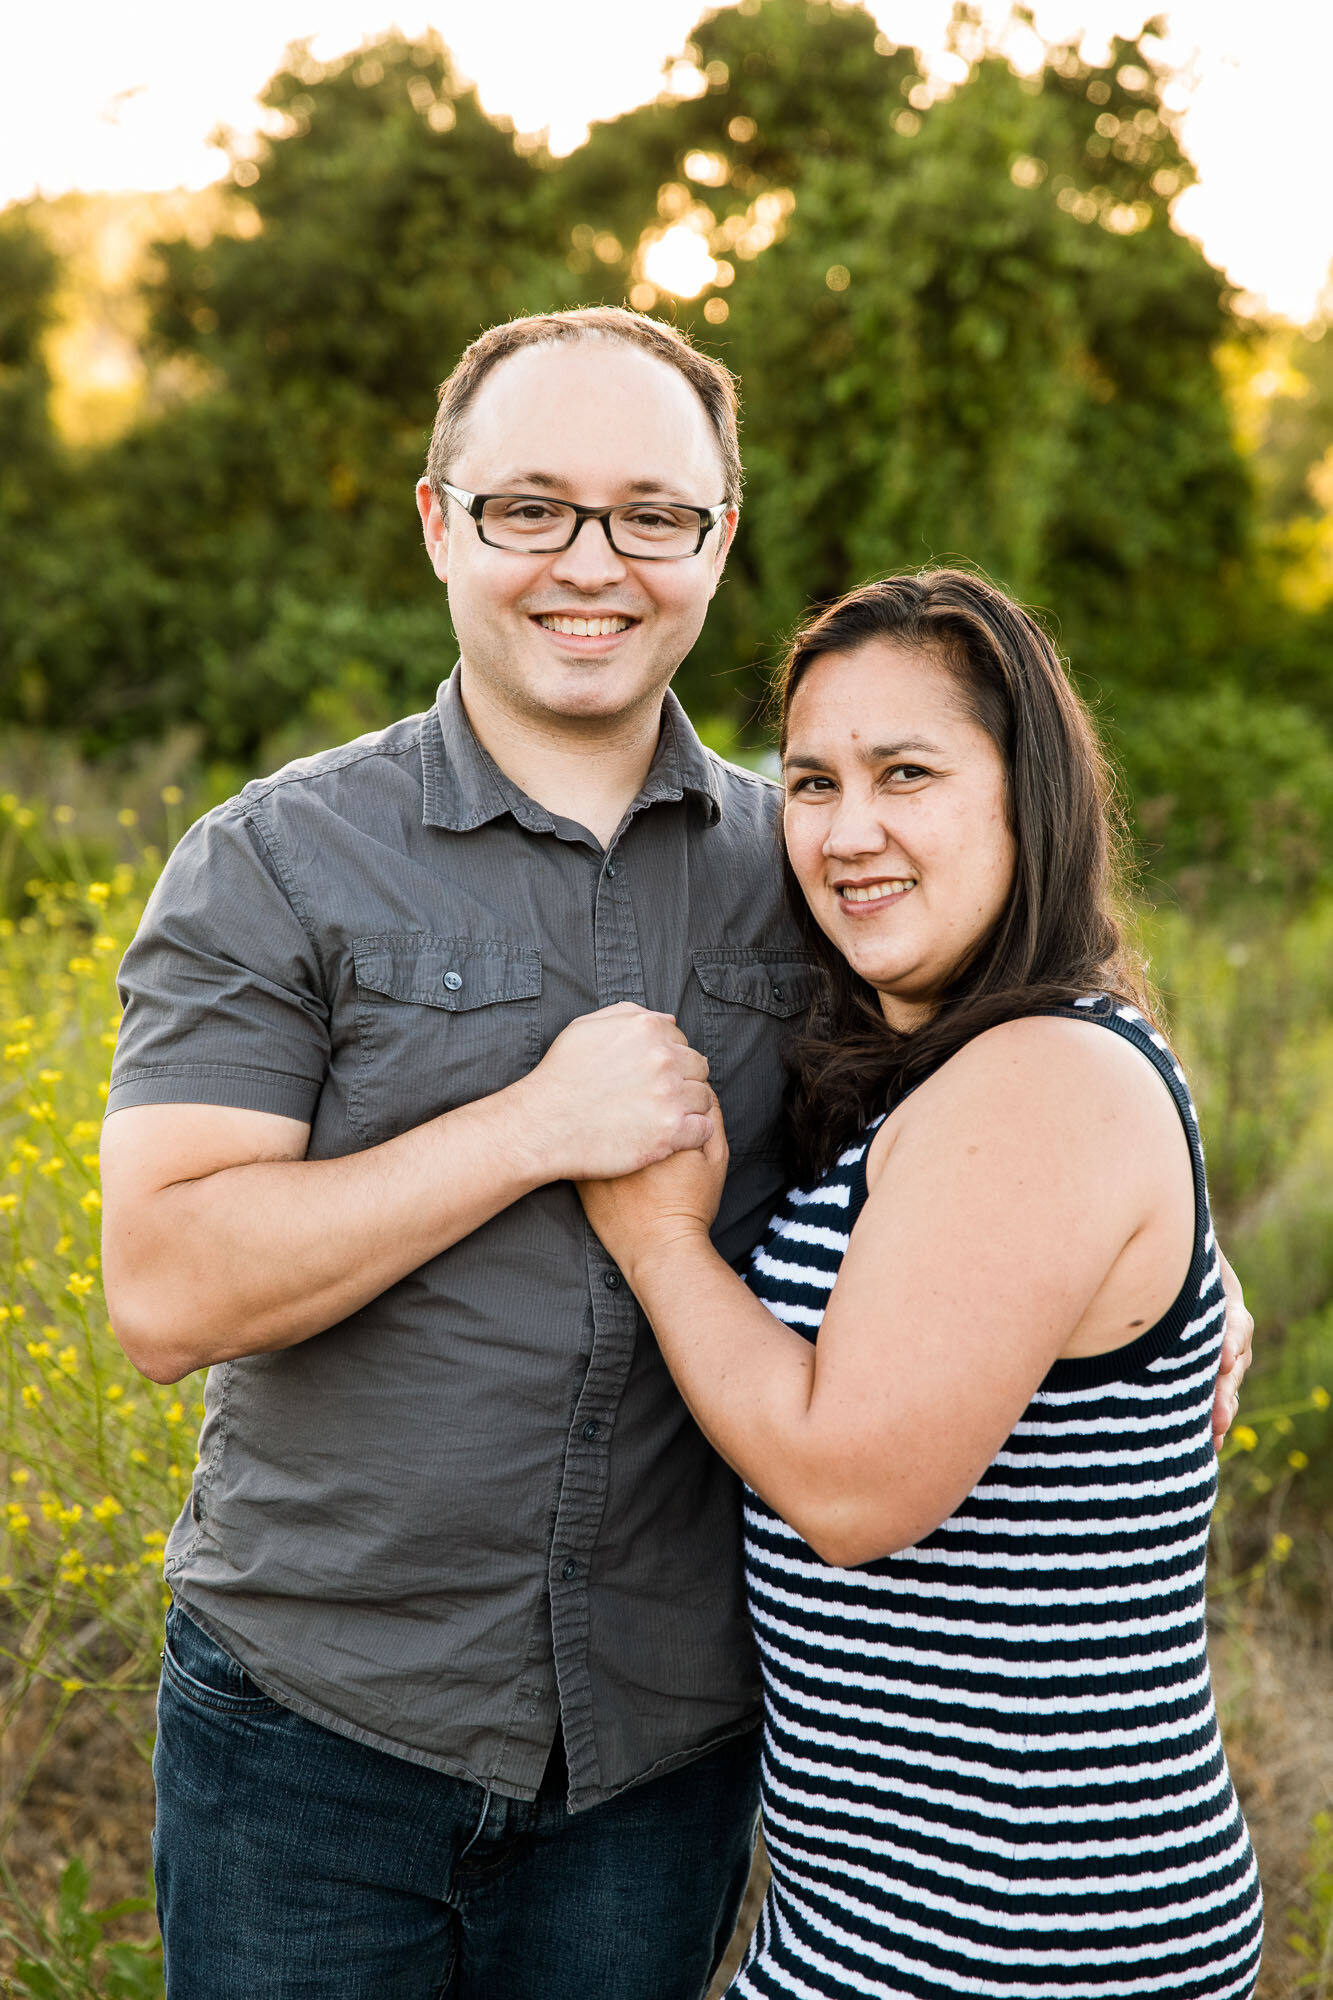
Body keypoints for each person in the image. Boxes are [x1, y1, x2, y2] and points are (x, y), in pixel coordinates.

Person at [100, 308, 1251, 2000]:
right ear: (439, 523)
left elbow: (1009, 1115)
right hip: (315, 1739)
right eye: (530, 508)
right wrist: (525, 1131)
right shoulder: (273, 866)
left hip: (666, 1761)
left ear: (716, 542)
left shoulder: (807, 863)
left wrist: (1175, 1279)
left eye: (652, 513)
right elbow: (163, 1291)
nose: (593, 562)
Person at [577, 570, 1264, 2000]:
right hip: (896, 1916)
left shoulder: (1040, 1075)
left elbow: (847, 1488)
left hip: (1021, 1938)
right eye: (812, 782)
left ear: (1032, 795)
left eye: (908, 774)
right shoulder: (993, 1062)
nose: (848, 830)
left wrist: (656, 1241)